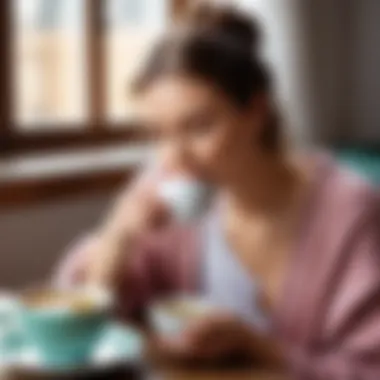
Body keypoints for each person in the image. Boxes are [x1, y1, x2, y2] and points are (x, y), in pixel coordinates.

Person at [56, 3, 380, 379]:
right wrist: (117, 235)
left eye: (198, 127)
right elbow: (81, 323)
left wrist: (260, 348)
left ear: (256, 111)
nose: (174, 158)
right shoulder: (166, 191)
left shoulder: (350, 212)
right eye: (157, 134)